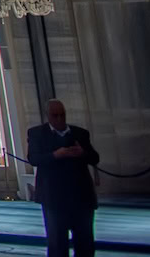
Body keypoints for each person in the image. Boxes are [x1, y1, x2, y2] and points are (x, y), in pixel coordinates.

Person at [26, 99, 99, 257]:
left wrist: (83, 153)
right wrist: (55, 155)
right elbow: (34, 158)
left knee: (84, 241)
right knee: (57, 242)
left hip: (81, 197)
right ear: (48, 116)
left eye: (62, 115)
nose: (59, 119)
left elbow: (95, 158)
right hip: (53, 198)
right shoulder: (37, 134)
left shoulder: (80, 133)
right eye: (55, 116)